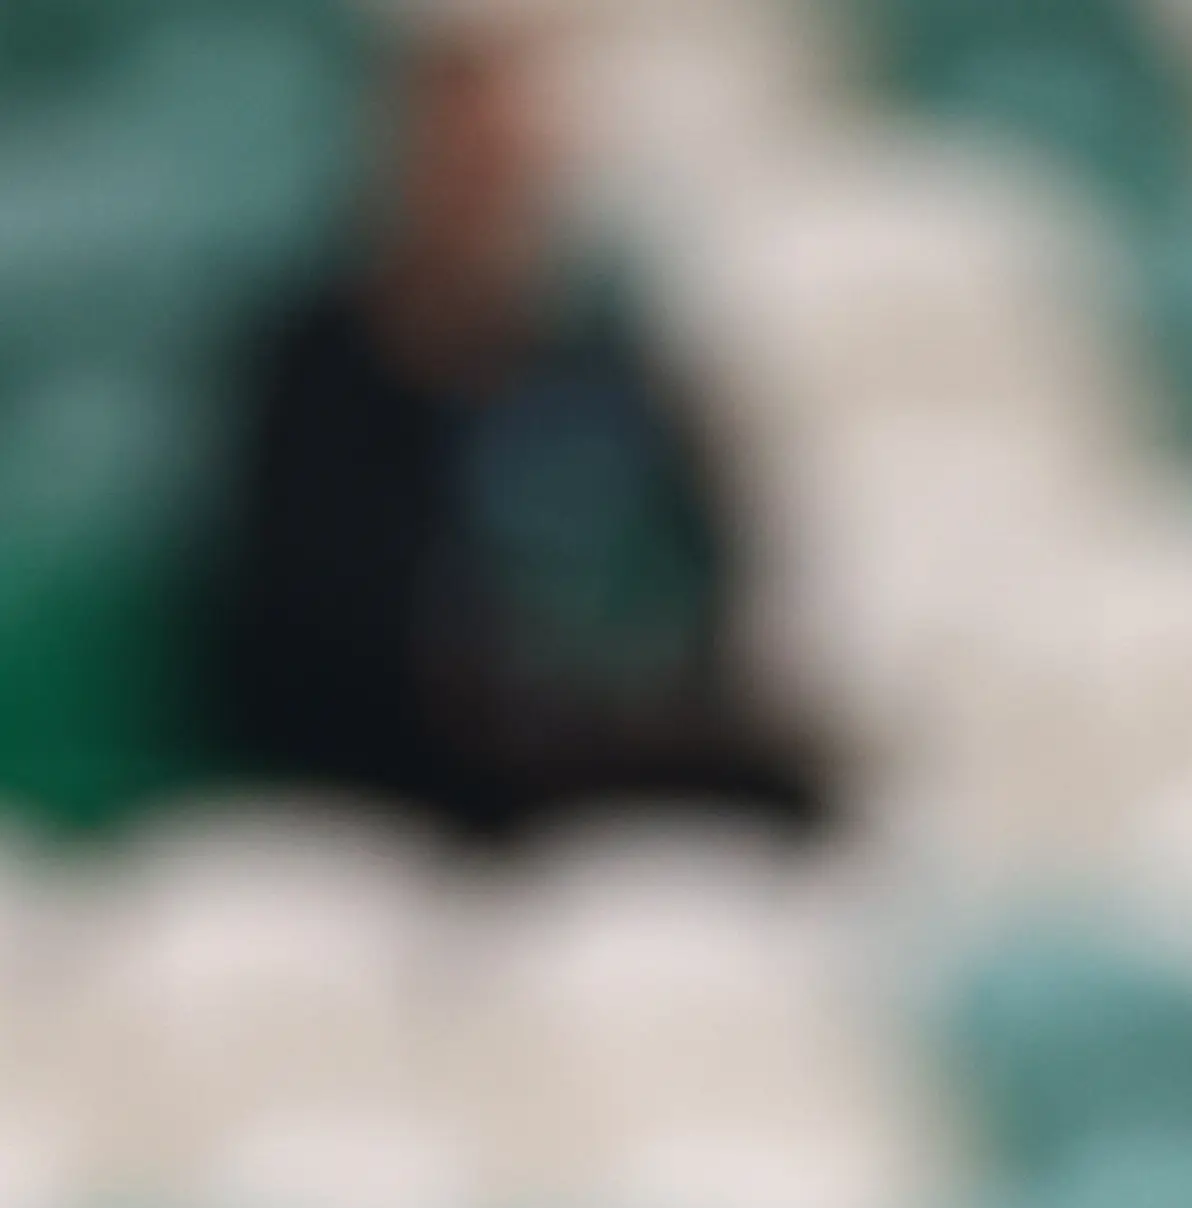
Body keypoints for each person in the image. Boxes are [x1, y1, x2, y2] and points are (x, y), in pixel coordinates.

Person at [193, 24, 822, 842]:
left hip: (588, 745)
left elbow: (694, 572)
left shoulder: (604, 361)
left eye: (504, 156)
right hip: (394, 768)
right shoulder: (312, 366)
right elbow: (289, 627)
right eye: (459, 151)